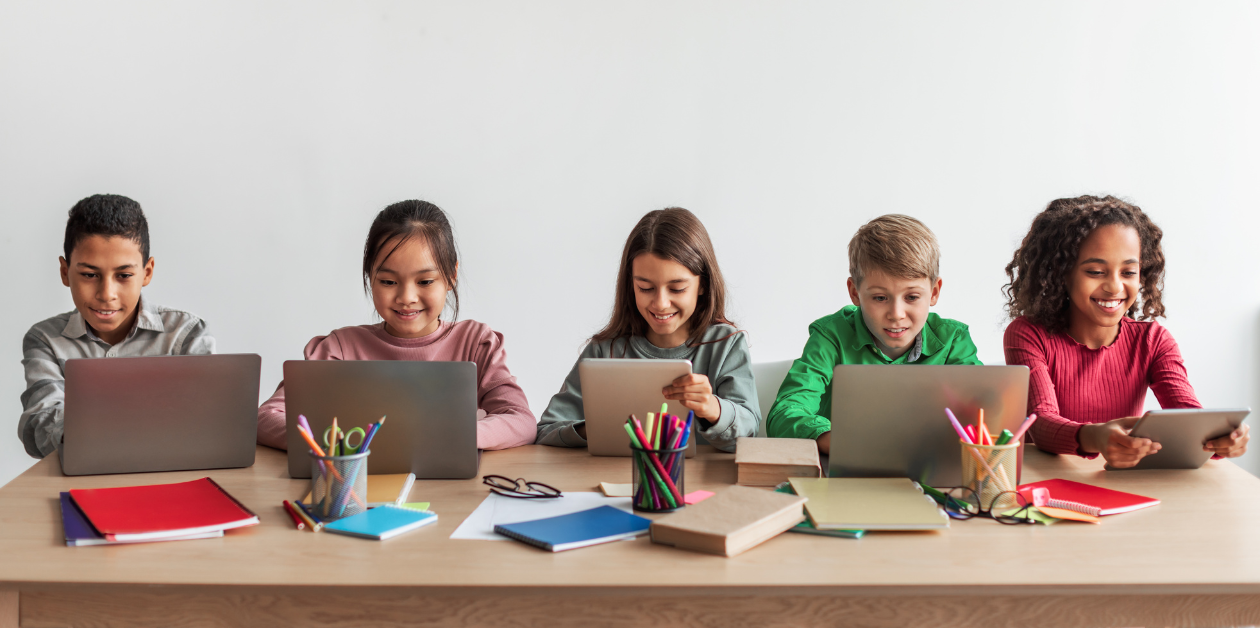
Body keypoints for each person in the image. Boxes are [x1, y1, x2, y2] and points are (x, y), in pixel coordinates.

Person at [256, 200, 535, 450]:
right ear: (369, 277)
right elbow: (267, 418)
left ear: (451, 276)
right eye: (388, 282)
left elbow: (520, 420)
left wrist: (451, 436)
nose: (406, 298)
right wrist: (340, 442)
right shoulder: (338, 350)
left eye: (425, 281)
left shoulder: (476, 343)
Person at [1003, 194, 1247, 467]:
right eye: (1096, 271)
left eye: (1128, 272)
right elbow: (1041, 423)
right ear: (1061, 274)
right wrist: (1096, 437)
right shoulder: (1028, 334)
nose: (1115, 287)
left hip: (1121, 483)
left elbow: (1188, 418)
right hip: (1048, 484)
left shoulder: (1154, 341)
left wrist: (1220, 439)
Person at [534, 207, 759, 452]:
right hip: (613, 483)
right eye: (645, 288)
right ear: (631, 285)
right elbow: (547, 429)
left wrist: (713, 409)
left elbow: (749, 432)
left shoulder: (725, 344)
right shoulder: (605, 350)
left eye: (677, 289)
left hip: (697, 485)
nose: (661, 303)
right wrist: (600, 428)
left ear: (702, 285)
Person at [19, 194, 214, 458]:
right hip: (83, 481)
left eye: (123, 275)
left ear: (147, 272)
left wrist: (98, 428)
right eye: (89, 275)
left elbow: (207, 420)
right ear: (65, 272)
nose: (106, 293)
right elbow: (40, 426)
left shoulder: (185, 332)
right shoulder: (46, 339)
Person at [767, 214, 980, 454]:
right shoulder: (830, 337)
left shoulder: (954, 341)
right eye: (880, 298)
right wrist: (847, 442)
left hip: (932, 470)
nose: (896, 314)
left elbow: (983, 415)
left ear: (934, 292)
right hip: (845, 474)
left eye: (911, 297)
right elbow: (784, 414)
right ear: (855, 293)